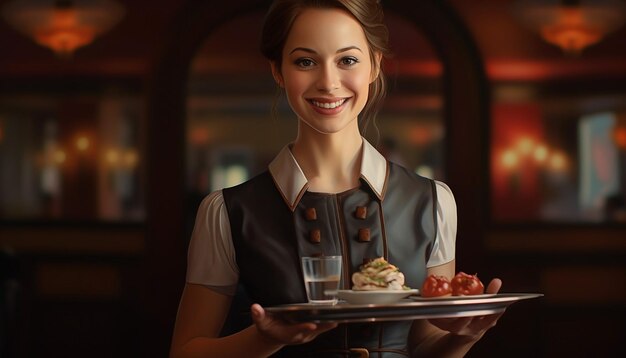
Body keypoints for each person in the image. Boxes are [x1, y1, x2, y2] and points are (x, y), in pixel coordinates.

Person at [170, 0, 504, 357]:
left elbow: (425, 344)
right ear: (278, 71)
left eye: (348, 60)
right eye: (305, 61)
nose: (329, 82)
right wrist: (265, 338)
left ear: (375, 65)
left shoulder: (433, 201)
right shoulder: (226, 211)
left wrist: (464, 336)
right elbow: (185, 351)